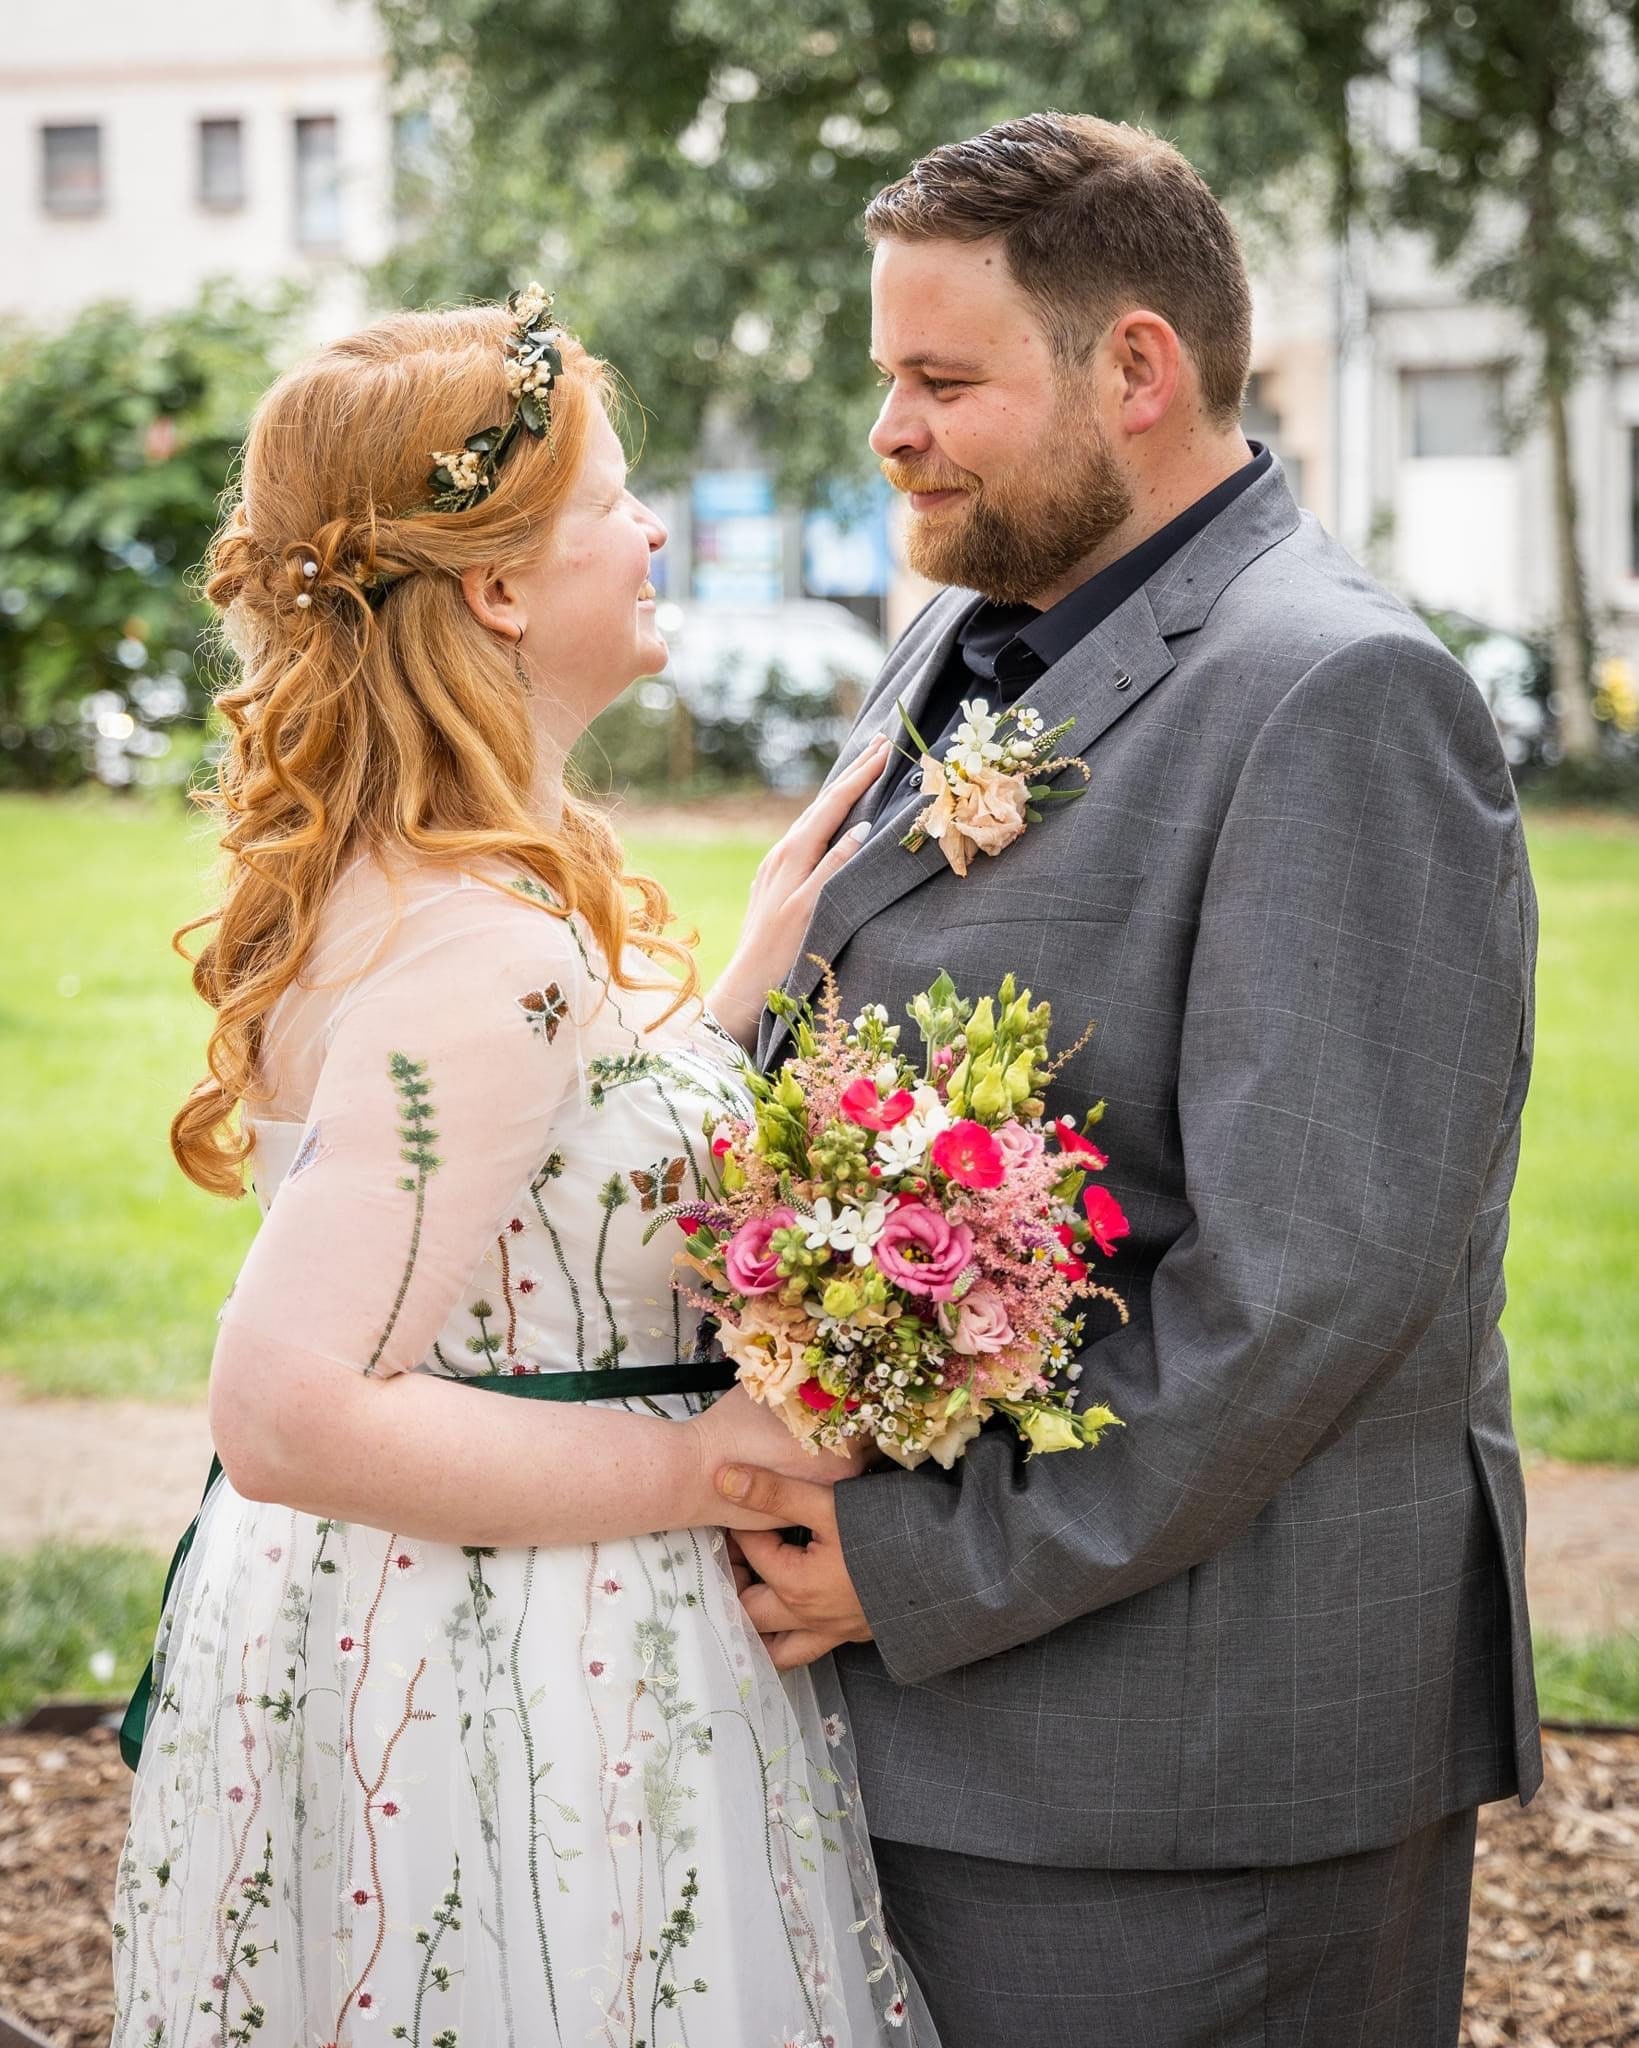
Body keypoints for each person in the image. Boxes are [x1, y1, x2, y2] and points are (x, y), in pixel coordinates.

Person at [715, 114, 1540, 2048]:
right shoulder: (958, 628)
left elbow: (1305, 1288)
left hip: (1196, 1767)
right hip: (960, 1724)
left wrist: (914, 1567)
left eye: (942, 381)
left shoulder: (1336, 693)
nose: (891, 431)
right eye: (885, 379)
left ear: (1138, 370)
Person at [111, 299, 935, 2046]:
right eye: (615, 501)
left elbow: (530, 1177)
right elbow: (285, 1411)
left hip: (418, 1602)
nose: (650, 535)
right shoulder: (498, 952)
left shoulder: (448, 890)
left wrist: (729, 1010)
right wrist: (717, 1462)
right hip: (513, 1645)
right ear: (495, 588)